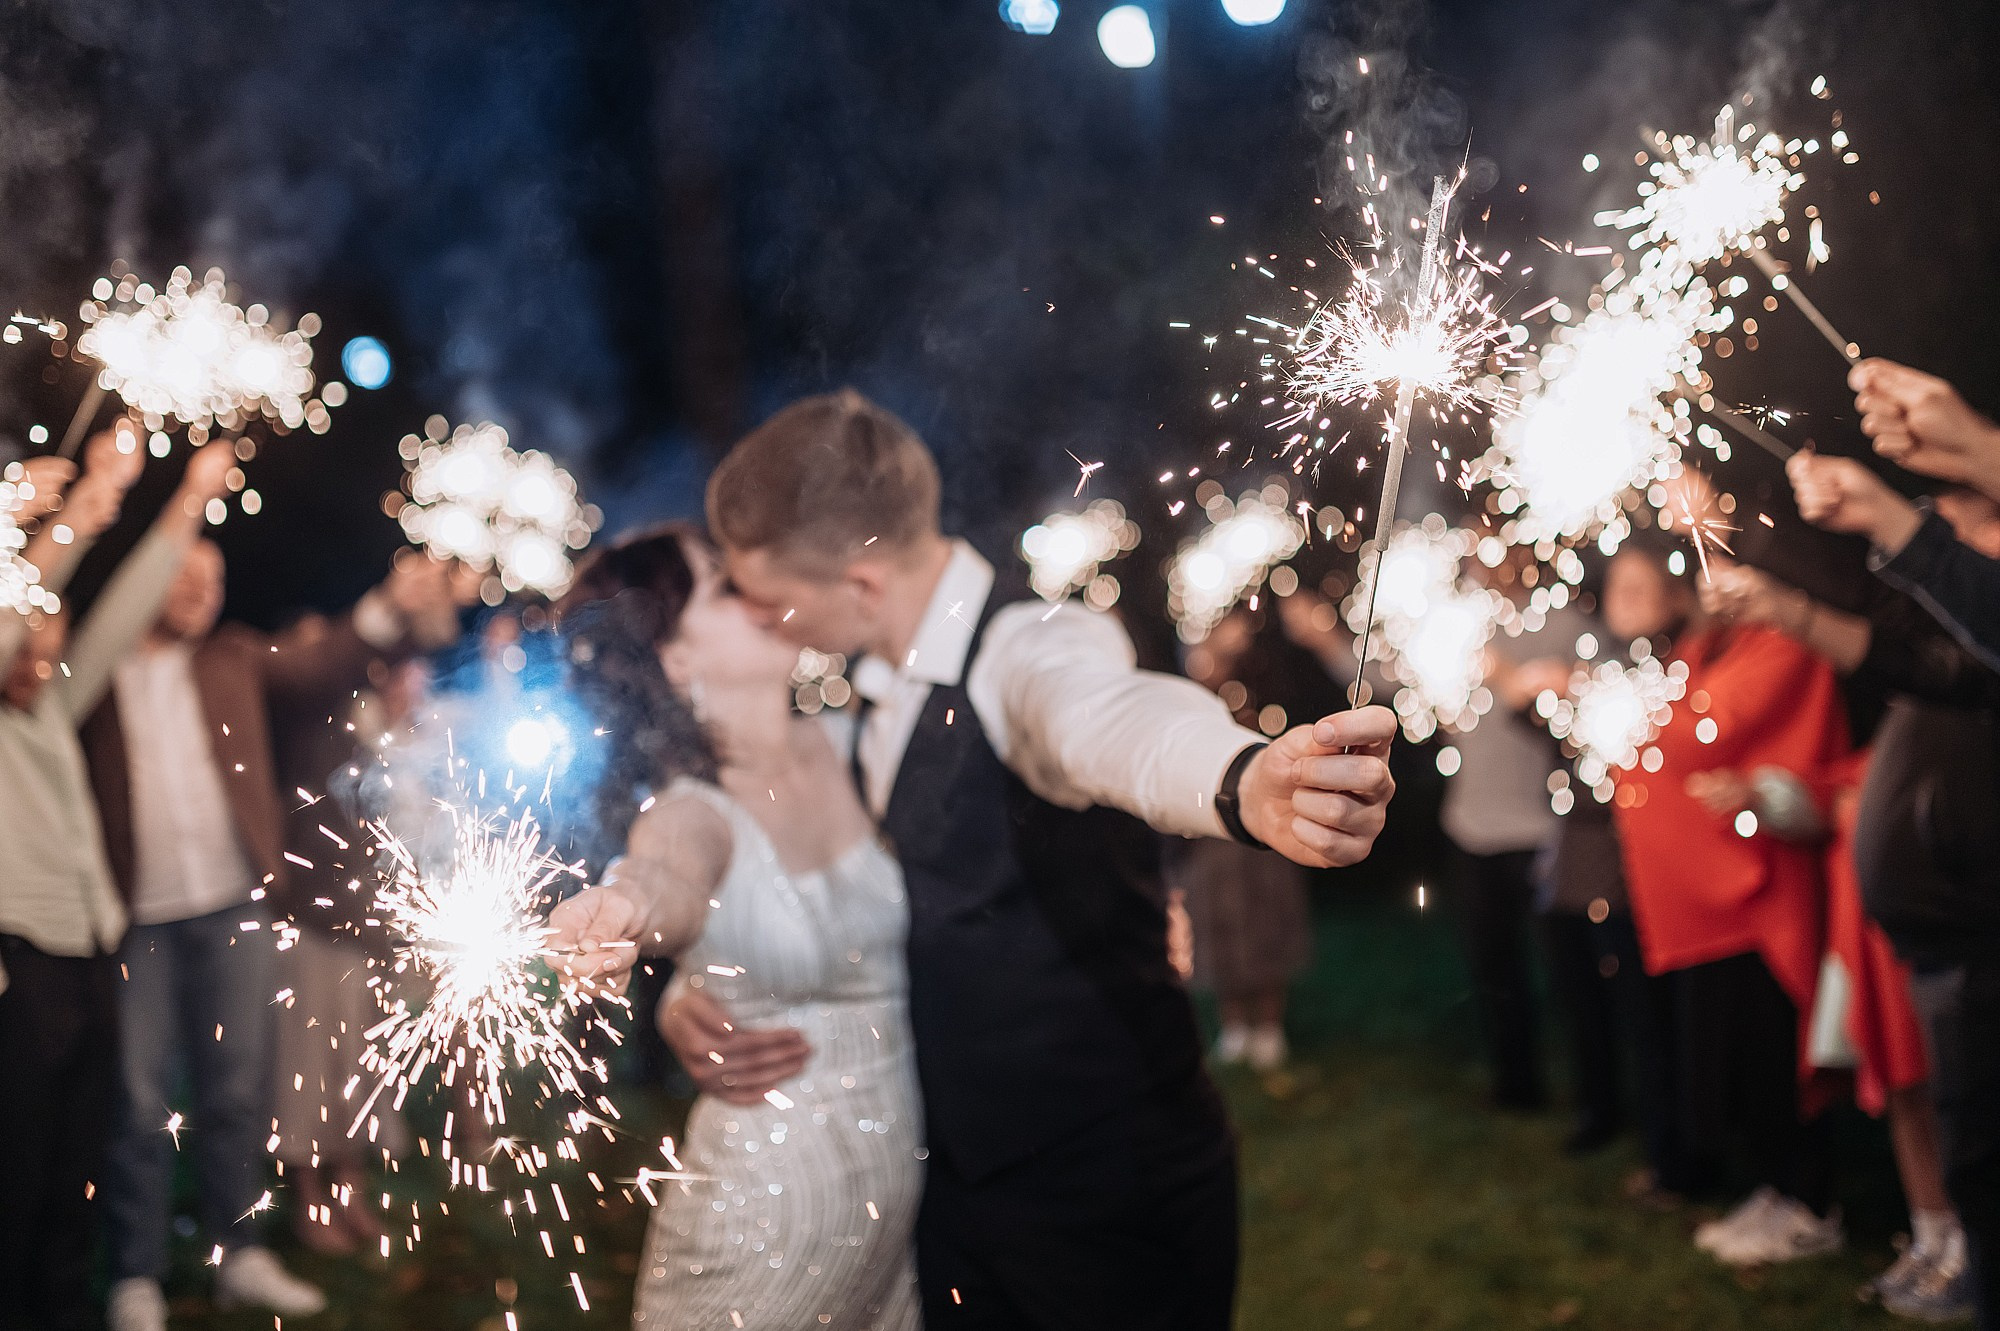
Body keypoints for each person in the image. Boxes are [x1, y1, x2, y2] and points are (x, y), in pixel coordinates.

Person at [552, 390, 1397, 1330]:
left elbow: (1104, 722)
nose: (769, 615)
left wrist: (1239, 777)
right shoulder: (856, 712)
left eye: (764, 592)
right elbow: (725, 871)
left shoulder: (1028, 647)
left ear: (860, 583)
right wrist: (686, 984)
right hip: (944, 1206)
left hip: (1105, 1198)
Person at [83, 539, 467, 1331]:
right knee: (141, 1099)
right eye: (184, 575)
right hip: (138, 918)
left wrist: (388, 607)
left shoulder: (233, 658)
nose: (200, 591)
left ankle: (241, 1251)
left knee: (239, 1090)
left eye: (215, 578)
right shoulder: (104, 662)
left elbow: (319, 663)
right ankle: (136, 1274)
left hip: (236, 904)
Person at [551, 526, 922, 1329]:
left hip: (892, 1231)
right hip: (764, 1227)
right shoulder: (694, 807)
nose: (759, 585)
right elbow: (669, 872)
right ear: (676, 659)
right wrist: (625, 909)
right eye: (723, 584)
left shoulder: (860, 741)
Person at [0, 433, 229, 1331]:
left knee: (72, 1162)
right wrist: (59, 523)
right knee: (14, 1168)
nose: (47, 646)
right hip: (21, 966)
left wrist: (185, 499)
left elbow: (130, 601)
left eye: (53, 632)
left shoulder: (53, 700)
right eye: (30, 627)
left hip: (93, 950)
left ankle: (60, 1306)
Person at [1600, 531, 1849, 1266]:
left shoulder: (1779, 643)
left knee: (1773, 1054)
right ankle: (1775, 1188)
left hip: (1758, 894)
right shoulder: (1703, 651)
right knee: (1736, 1063)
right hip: (1703, 902)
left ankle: (1810, 1201)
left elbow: (1704, 728)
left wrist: (1597, 705)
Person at [1174, 608, 1312, 1073]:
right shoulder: (1188, 678)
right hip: (1205, 826)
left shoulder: (1267, 673)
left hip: (1263, 826)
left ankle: (1270, 1027)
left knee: (1266, 918)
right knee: (1217, 923)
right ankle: (1234, 1027)